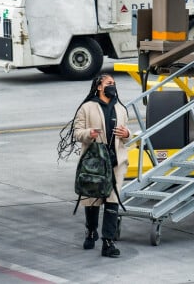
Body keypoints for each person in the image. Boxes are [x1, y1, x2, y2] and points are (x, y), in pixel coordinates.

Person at [57, 74, 130, 257]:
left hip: (115, 162)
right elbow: (77, 133)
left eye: (113, 83)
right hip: (95, 162)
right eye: (108, 83)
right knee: (93, 200)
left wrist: (127, 133)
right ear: (99, 86)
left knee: (112, 201)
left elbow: (128, 136)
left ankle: (108, 242)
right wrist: (89, 133)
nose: (112, 86)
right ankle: (91, 230)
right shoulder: (87, 108)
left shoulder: (121, 108)